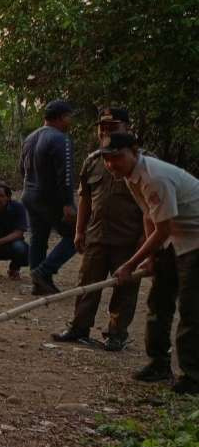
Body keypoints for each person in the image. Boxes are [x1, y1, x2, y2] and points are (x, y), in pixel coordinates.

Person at [100, 132, 199, 394]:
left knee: (191, 309)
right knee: (159, 302)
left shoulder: (155, 176)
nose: (112, 165)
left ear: (135, 151)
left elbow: (162, 229)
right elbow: (149, 216)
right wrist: (152, 258)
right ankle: (158, 364)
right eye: (107, 159)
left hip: (195, 240)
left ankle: (193, 376)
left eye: (117, 157)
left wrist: (131, 264)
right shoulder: (132, 177)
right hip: (175, 238)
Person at [51, 108, 144, 351]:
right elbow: (85, 198)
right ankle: (78, 328)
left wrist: (144, 242)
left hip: (128, 239)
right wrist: (79, 230)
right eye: (102, 126)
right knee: (86, 285)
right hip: (97, 235)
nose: (105, 130)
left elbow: (151, 207)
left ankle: (116, 333)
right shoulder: (93, 160)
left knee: (125, 289)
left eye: (113, 126)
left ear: (127, 128)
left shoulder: (141, 160)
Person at [20, 99, 77, 295]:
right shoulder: (61, 139)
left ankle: (38, 282)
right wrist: (68, 203)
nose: (71, 122)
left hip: (29, 193)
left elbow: (22, 169)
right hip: (49, 196)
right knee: (76, 236)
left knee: (38, 238)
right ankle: (44, 272)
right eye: (69, 117)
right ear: (62, 117)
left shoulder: (30, 137)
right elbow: (66, 174)